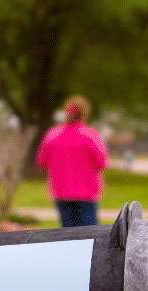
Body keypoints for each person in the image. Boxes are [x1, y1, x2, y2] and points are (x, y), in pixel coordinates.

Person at [37, 95, 108, 227]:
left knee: (68, 234)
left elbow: (42, 161)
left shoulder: (53, 135)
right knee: (89, 234)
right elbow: (102, 163)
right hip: (87, 192)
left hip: (61, 191)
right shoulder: (91, 135)